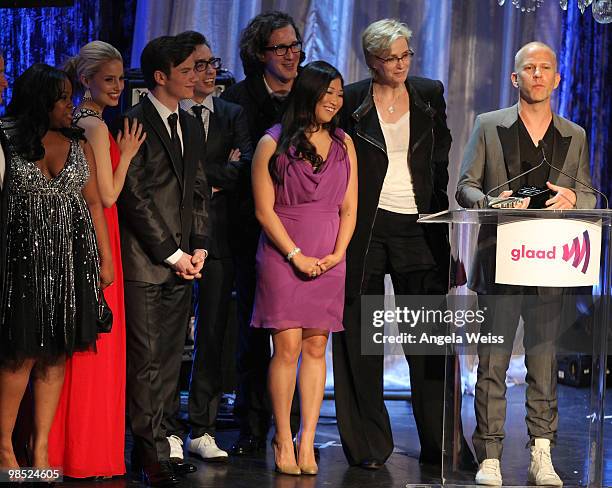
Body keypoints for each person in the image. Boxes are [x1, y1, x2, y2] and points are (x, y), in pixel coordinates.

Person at [335, 18, 473, 470]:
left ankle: (441, 443)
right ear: (371, 60)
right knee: (361, 339)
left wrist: (442, 224)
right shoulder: (351, 99)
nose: (400, 64)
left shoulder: (428, 94)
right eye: (391, 57)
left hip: (419, 226)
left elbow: (440, 153)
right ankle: (369, 445)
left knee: (429, 338)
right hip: (366, 230)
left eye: (405, 55)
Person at [456, 41, 596, 487]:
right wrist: (490, 200)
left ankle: (542, 451)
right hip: (500, 259)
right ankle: (490, 454)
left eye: (545, 68)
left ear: (557, 79)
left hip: (550, 263)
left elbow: (590, 193)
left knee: (543, 360)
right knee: (493, 361)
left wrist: (576, 197)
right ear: (515, 78)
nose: (537, 74)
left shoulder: (574, 134)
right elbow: (466, 186)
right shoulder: (489, 125)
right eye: (528, 68)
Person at [0, 63, 113, 473]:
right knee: (20, 357)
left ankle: (41, 449)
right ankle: (5, 449)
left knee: (56, 356)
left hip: (71, 262)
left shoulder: (78, 142)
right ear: (41, 102)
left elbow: (96, 204)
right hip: (21, 262)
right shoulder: (7, 138)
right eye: (63, 98)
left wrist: (106, 258)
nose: (71, 105)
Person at [251, 60, 357, 475]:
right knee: (288, 347)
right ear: (308, 94)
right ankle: (281, 435)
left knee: (317, 347)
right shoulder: (271, 143)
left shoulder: (346, 144)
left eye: (339, 93)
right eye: (327, 92)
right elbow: (264, 211)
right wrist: (295, 254)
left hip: (330, 255)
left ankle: (307, 440)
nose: (334, 100)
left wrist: (337, 254)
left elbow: (349, 209)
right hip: (284, 253)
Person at [45, 40, 146, 479]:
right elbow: (105, 194)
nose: (119, 87)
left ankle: (62, 454)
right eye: (109, 79)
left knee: (82, 348)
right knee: (96, 347)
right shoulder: (95, 127)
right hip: (98, 232)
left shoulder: (86, 121)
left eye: (122, 78)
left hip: (87, 233)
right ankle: (86, 455)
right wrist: (129, 158)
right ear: (84, 79)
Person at [116, 35, 209, 487]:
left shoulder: (190, 125)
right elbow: (134, 197)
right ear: (162, 76)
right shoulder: (132, 123)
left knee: (172, 360)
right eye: (189, 70)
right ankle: (149, 454)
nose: (197, 77)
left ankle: (165, 445)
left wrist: (199, 249)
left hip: (182, 261)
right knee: (148, 363)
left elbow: (198, 191)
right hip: (147, 263)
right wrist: (171, 254)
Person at [221, 11, 304, 455]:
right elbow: (237, 166)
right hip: (249, 229)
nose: (292, 54)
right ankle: (251, 423)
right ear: (259, 53)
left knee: (297, 333)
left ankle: (289, 427)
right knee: (253, 331)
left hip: (303, 229)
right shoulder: (236, 99)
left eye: (295, 45)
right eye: (281, 47)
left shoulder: (309, 93)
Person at [175, 30, 253, 462]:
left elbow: (241, 171)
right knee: (167, 336)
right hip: (169, 237)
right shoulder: (167, 114)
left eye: (211, 63)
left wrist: (199, 175)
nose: (208, 72)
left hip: (219, 238)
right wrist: (215, 171)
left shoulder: (230, 112)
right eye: (198, 65)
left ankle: (201, 427)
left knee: (211, 333)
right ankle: (165, 424)